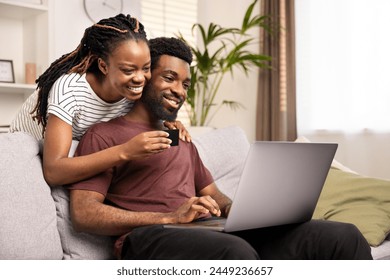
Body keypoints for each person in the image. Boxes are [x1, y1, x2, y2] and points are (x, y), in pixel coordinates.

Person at [68, 37, 372, 260]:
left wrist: (238, 211)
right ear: (145, 77)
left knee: (342, 235)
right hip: (147, 238)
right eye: (170, 78)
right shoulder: (104, 136)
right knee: (236, 253)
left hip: (207, 231)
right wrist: (169, 217)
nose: (178, 91)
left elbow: (213, 195)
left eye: (185, 84)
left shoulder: (180, 139)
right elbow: (84, 214)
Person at [9, 14, 190, 187]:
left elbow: (148, 127)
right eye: (128, 70)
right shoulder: (70, 89)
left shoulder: (136, 91)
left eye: (146, 68)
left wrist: (170, 125)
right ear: (103, 66)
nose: (140, 79)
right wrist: (125, 151)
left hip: (77, 145)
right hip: (26, 148)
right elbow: (54, 172)